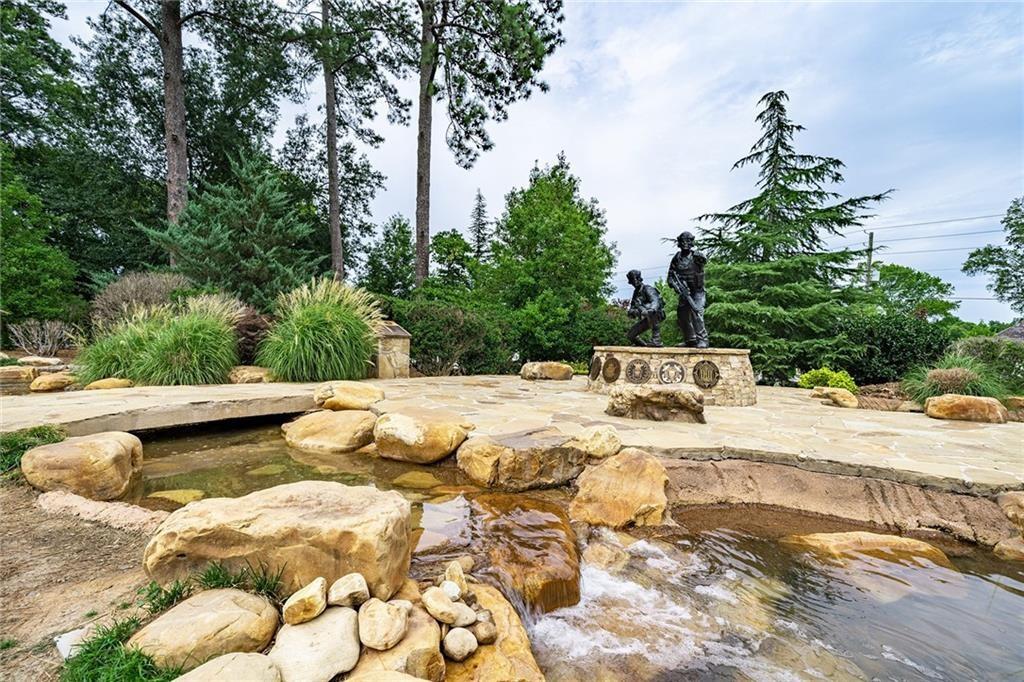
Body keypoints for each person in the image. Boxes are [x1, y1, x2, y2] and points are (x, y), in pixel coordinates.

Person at [667, 231, 709, 348]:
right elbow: (670, 277)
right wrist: (676, 287)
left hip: (697, 292)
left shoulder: (697, 257)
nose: (685, 243)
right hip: (684, 292)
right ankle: (690, 339)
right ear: (679, 243)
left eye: (688, 241)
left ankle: (703, 340)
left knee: (697, 312)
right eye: (683, 241)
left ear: (692, 243)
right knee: (682, 316)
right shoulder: (676, 258)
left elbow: (703, 262)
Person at [626, 269, 665, 347]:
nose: (634, 283)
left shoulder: (648, 288)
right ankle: (643, 345)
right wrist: (634, 312)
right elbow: (632, 308)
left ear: (639, 279)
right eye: (632, 281)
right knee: (630, 335)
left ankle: (656, 339)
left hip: (656, 315)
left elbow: (655, 301)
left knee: (651, 312)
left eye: (635, 280)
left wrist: (650, 310)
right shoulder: (635, 293)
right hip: (645, 317)